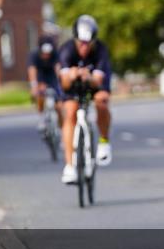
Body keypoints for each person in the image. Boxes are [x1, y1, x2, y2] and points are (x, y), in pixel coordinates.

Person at [57, 15, 113, 184]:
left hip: (93, 84)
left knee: (101, 101)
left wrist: (88, 76)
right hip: (72, 87)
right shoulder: (66, 50)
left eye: (88, 43)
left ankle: (104, 142)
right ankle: (69, 166)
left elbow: (99, 80)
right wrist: (72, 75)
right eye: (81, 42)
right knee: (71, 112)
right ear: (75, 39)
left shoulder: (101, 50)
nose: (84, 47)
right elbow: (64, 83)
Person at [27, 36, 62, 131]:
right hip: (40, 77)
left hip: (52, 77)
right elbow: (32, 70)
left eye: (48, 53)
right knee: (40, 95)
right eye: (44, 53)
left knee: (59, 106)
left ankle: (61, 128)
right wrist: (34, 86)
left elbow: (58, 68)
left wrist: (60, 84)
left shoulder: (55, 54)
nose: (46, 55)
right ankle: (41, 117)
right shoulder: (34, 55)